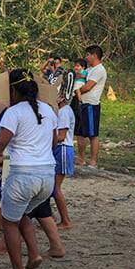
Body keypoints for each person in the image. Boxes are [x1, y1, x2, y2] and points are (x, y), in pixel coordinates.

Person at [0, 69, 57, 269]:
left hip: (23, 176)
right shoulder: (48, 110)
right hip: (46, 177)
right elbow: (53, 143)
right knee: (22, 214)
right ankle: (34, 254)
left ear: (13, 91)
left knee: (9, 223)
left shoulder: (13, 113)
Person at [75, 45, 107, 168]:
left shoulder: (99, 70)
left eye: (87, 55)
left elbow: (88, 87)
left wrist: (76, 91)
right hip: (82, 103)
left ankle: (93, 161)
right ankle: (81, 158)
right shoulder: (88, 70)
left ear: (94, 55)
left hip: (91, 105)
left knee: (92, 134)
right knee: (80, 132)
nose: (86, 58)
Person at [54, 78, 79, 230]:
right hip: (60, 149)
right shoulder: (62, 111)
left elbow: (61, 136)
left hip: (62, 149)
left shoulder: (64, 112)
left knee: (56, 187)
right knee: (52, 186)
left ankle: (66, 220)